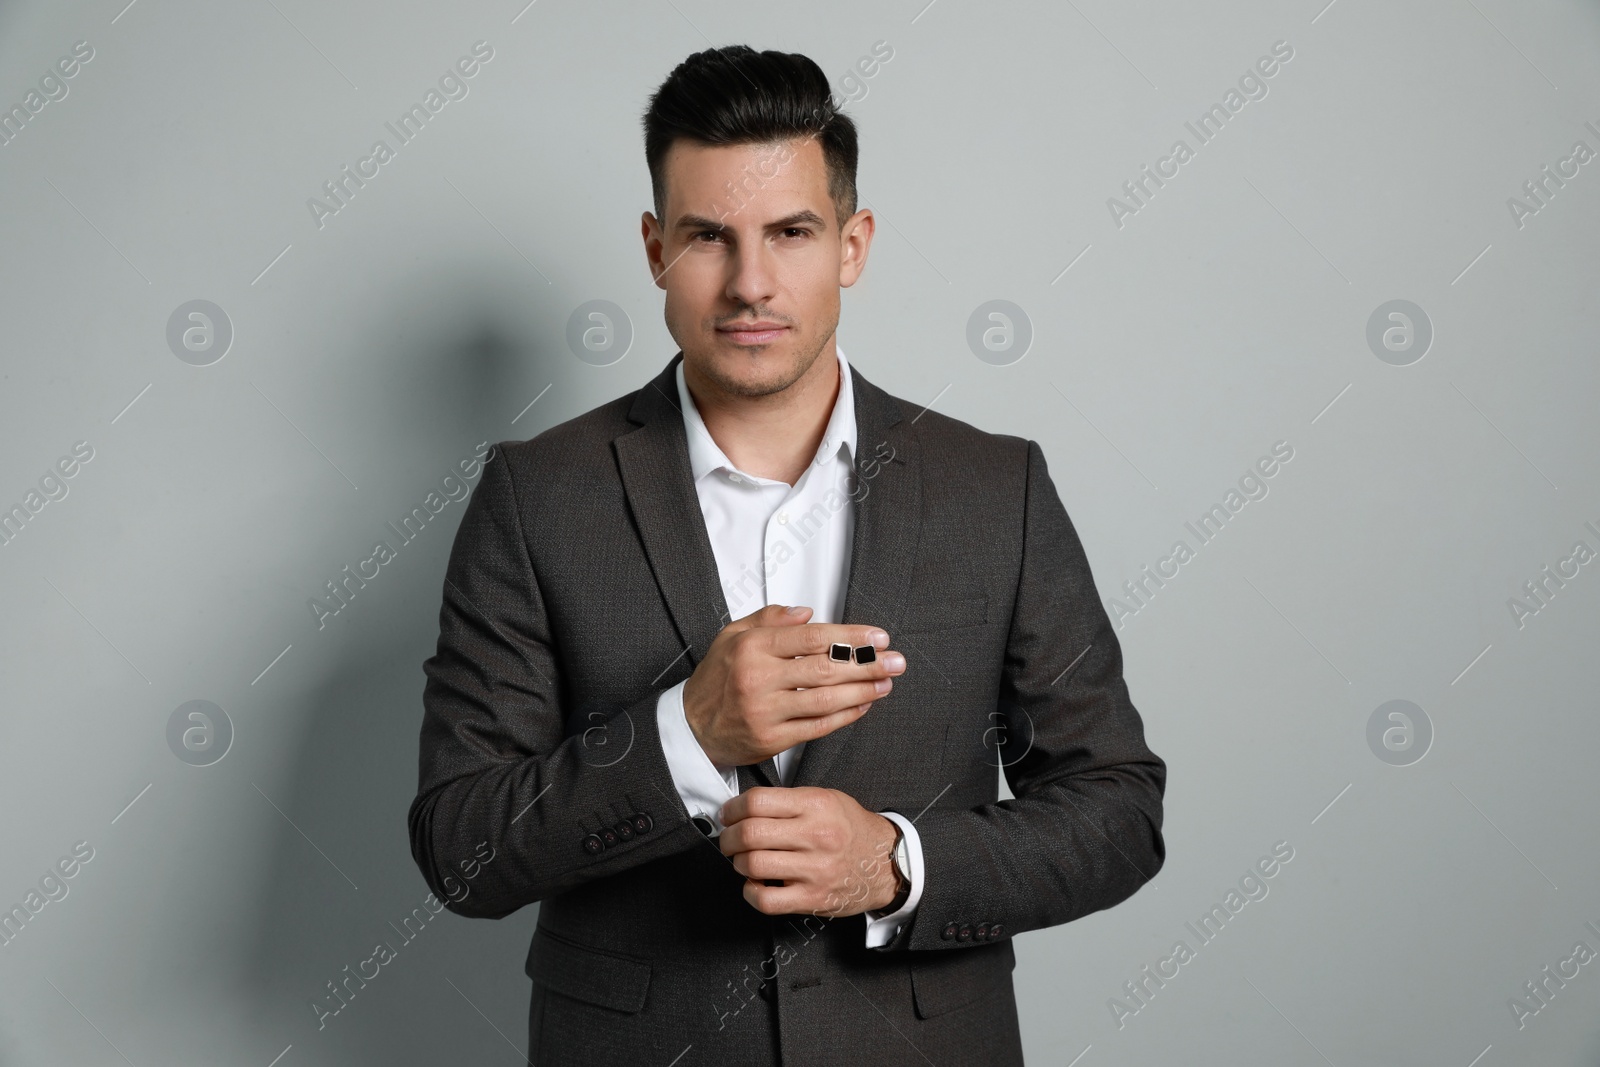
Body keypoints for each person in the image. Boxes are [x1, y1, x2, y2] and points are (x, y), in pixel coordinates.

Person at [408, 43, 1166, 1067]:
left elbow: (1117, 810)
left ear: (851, 244)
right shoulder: (537, 495)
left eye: (791, 232)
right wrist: (686, 732)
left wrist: (898, 861)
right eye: (708, 237)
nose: (750, 282)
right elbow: (463, 851)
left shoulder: (997, 488)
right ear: (653, 250)